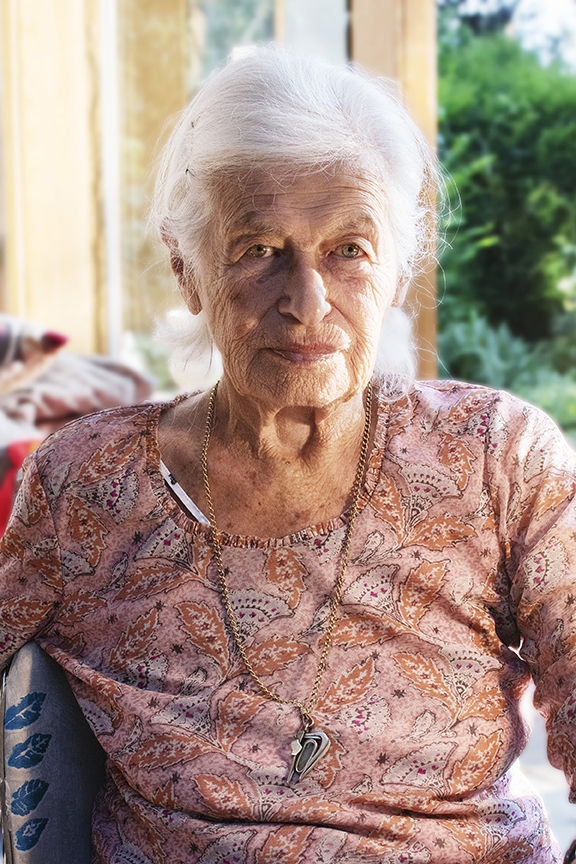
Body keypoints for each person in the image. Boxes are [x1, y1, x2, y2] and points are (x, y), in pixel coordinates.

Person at [0, 45, 575, 864]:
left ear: (397, 269)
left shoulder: (495, 456)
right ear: (187, 271)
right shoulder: (86, 485)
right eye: (259, 249)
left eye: (349, 249)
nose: (308, 302)